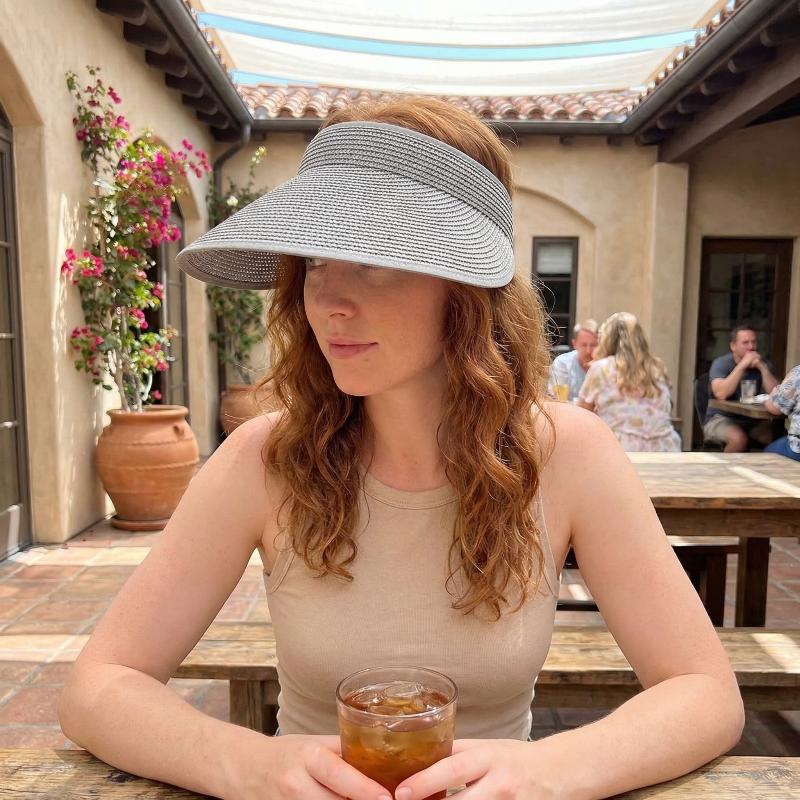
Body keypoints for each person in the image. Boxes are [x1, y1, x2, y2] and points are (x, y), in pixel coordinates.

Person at [59, 98, 742, 800]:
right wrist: (247, 763)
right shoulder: (262, 460)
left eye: (373, 261)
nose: (330, 301)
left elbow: (705, 693)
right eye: (317, 260)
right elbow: (97, 688)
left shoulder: (570, 455)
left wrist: (551, 770)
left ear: (466, 289)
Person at [577, 312, 681, 453]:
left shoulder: (601, 369)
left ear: (607, 339)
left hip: (621, 449)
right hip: (665, 448)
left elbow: (582, 415)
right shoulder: (656, 368)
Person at [704, 325, 779, 452]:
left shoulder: (763, 363)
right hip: (720, 418)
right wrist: (742, 365)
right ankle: (726, 466)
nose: (751, 347)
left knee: (777, 438)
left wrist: (762, 368)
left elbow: (777, 395)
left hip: (753, 420)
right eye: (745, 343)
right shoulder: (721, 363)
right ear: (733, 346)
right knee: (739, 440)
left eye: (754, 342)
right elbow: (721, 394)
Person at [547, 319, 598, 401]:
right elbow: (557, 398)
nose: (588, 351)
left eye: (593, 345)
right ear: (575, 344)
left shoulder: (605, 366)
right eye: (584, 345)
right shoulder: (563, 363)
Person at [764, 364, 800, 461]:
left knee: (766, 455)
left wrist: (772, 396)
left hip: (797, 448)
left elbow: (774, 408)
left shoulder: (798, 373)